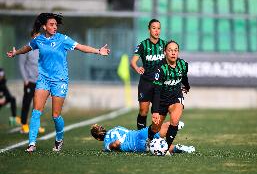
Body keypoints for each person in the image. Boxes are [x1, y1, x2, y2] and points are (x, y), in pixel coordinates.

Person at [7, 13, 110, 153]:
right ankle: (31, 143)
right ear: (44, 26)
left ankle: (59, 139)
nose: (55, 27)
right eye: (51, 24)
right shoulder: (39, 40)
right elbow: (28, 47)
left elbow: (80, 47)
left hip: (59, 80)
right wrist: (16, 53)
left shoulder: (62, 39)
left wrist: (98, 51)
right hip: (43, 79)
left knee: (56, 115)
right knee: (36, 111)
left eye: (56, 25)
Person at [147, 40, 190, 155]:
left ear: (178, 52)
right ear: (165, 52)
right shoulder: (160, 68)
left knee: (175, 120)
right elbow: (156, 91)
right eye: (170, 50)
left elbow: (184, 77)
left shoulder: (183, 64)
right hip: (161, 99)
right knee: (155, 128)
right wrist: (155, 111)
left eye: (175, 50)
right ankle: (149, 142)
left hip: (175, 97)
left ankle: (166, 148)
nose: (173, 53)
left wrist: (186, 86)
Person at [130, 19, 167, 130]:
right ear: (149, 29)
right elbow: (132, 62)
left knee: (158, 113)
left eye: (158, 28)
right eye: (154, 28)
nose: (156, 31)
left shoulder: (164, 45)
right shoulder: (143, 45)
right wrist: (137, 68)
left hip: (160, 83)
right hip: (146, 82)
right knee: (143, 111)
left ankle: (153, 137)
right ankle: (141, 138)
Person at [91, 121, 195, 154]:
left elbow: (116, 144)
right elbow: (127, 132)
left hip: (136, 145)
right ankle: (173, 125)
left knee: (158, 147)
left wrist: (107, 148)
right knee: (160, 128)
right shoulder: (116, 128)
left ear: (98, 138)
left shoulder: (106, 142)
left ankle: (177, 148)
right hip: (139, 133)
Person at [18, 31, 45, 134]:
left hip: (40, 82)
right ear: (33, 36)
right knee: (26, 103)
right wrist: (25, 79)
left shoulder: (42, 48)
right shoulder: (26, 48)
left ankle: (36, 125)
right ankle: (24, 125)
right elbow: (21, 64)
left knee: (38, 105)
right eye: (36, 36)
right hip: (29, 81)